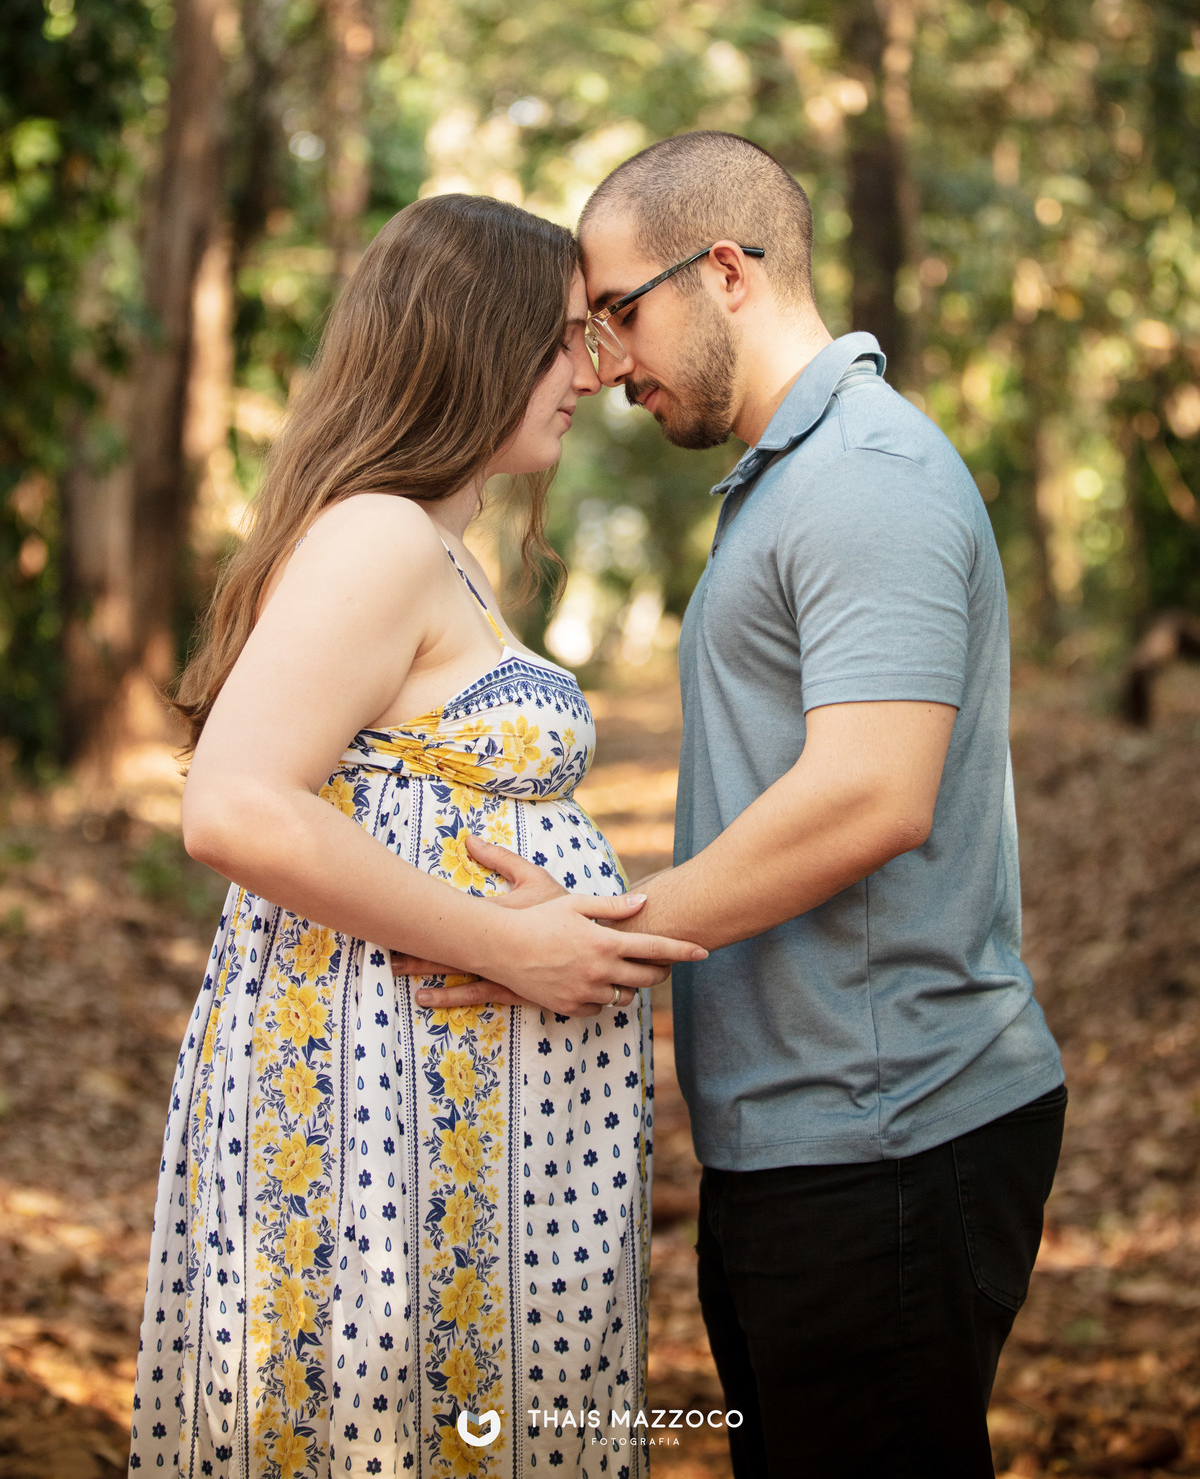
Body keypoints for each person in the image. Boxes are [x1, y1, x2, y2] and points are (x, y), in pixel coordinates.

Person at [443, 133, 1067, 1479]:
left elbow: (872, 795)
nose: (605, 365)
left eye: (619, 313)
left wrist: (604, 931)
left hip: (888, 1125)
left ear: (724, 270)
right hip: (808, 1129)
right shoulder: (795, 474)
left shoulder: (864, 475)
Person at [127, 193, 708, 1479]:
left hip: (450, 1120)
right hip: (380, 1115)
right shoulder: (382, 536)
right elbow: (234, 803)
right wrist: (510, 949)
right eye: (566, 338)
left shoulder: (437, 546)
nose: (593, 370)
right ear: (477, 341)